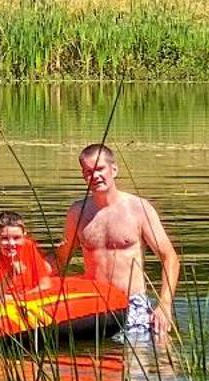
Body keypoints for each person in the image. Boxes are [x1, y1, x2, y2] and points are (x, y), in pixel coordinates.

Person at [53, 143, 180, 343]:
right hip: (94, 306)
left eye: (99, 169)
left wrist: (164, 304)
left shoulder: (138, 208)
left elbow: (169, 257)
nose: (94, 176)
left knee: (144, 365)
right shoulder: (77, 213)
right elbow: (60, 260)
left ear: (114, 169)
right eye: (88, 172)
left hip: (131, 304)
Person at [0, 210, 55, 299]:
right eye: (4, 238)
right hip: (6, 306)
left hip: (28, 300)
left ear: (24, 236)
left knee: (47, 268)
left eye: (16, 238)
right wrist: (10, 275)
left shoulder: (28, 246)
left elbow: (45, 284)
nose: (11, 243)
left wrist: (23, 297)